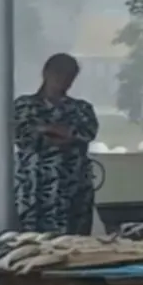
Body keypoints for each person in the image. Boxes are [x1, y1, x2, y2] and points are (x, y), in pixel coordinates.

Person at [14, 53, 99, 235]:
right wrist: (61, 132)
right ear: (46, 72)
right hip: (34, 191)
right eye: (59, 72)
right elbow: (23, 137)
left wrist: (46, 129)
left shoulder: (82, 109)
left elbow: (86, 133)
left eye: (70, 75)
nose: (64, 79)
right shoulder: (24, 105)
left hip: (73, 190)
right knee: (30, 242)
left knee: (75, 242)